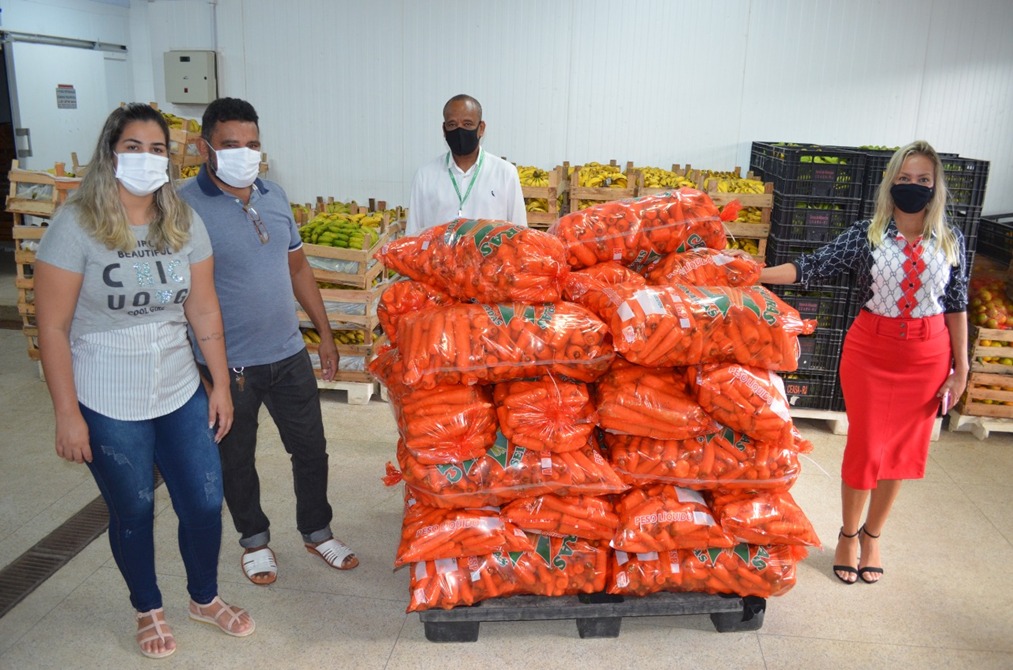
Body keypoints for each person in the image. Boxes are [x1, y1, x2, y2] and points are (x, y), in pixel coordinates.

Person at [34, 103, 254, 659]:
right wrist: (67, 413)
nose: (146, 159)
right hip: (106, 393)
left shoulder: (182, 220)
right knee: (132, 508)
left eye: (157, 149)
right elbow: (53, 327)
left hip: (178, 385)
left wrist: (220, 385)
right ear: (111, 153)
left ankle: (203, 597)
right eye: (133, 147)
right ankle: (147, 607)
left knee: (205, 501)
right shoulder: (76, 223)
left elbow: (203, 311)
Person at [759, 140, 969, 585]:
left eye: (923, 180)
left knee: (901, 453)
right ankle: (848, 533)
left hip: (928, 356)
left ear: (937, 187)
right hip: (870, 352)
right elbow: (812, 267)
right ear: (891, 182)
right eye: (905, 178)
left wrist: (962, 369)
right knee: (866, 446)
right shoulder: (866, 236)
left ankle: (874, 535)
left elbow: (956, 304)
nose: (913, 187)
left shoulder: (951, 240)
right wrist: (756, 275)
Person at [178, 97, 358, 588]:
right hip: (228, 365)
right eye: (231, 144)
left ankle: (317, 529)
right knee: (236, 459)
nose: (244, 152)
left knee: (312, 449)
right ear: (205, 147)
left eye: (252, 144)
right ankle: (254, 540)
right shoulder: (183, 206)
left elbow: (297, 267)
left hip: (288, 353)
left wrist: (323, 333)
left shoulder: (274, 195)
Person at [406, 94, 527, 235]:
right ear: (444, 130)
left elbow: (520, 235)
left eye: (467, 124)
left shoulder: (505, 173)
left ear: (481, 128)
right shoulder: (425, 175)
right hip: (439, 257)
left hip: (489, 257)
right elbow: (412, 236)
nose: (459, 130)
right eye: (452, 125)